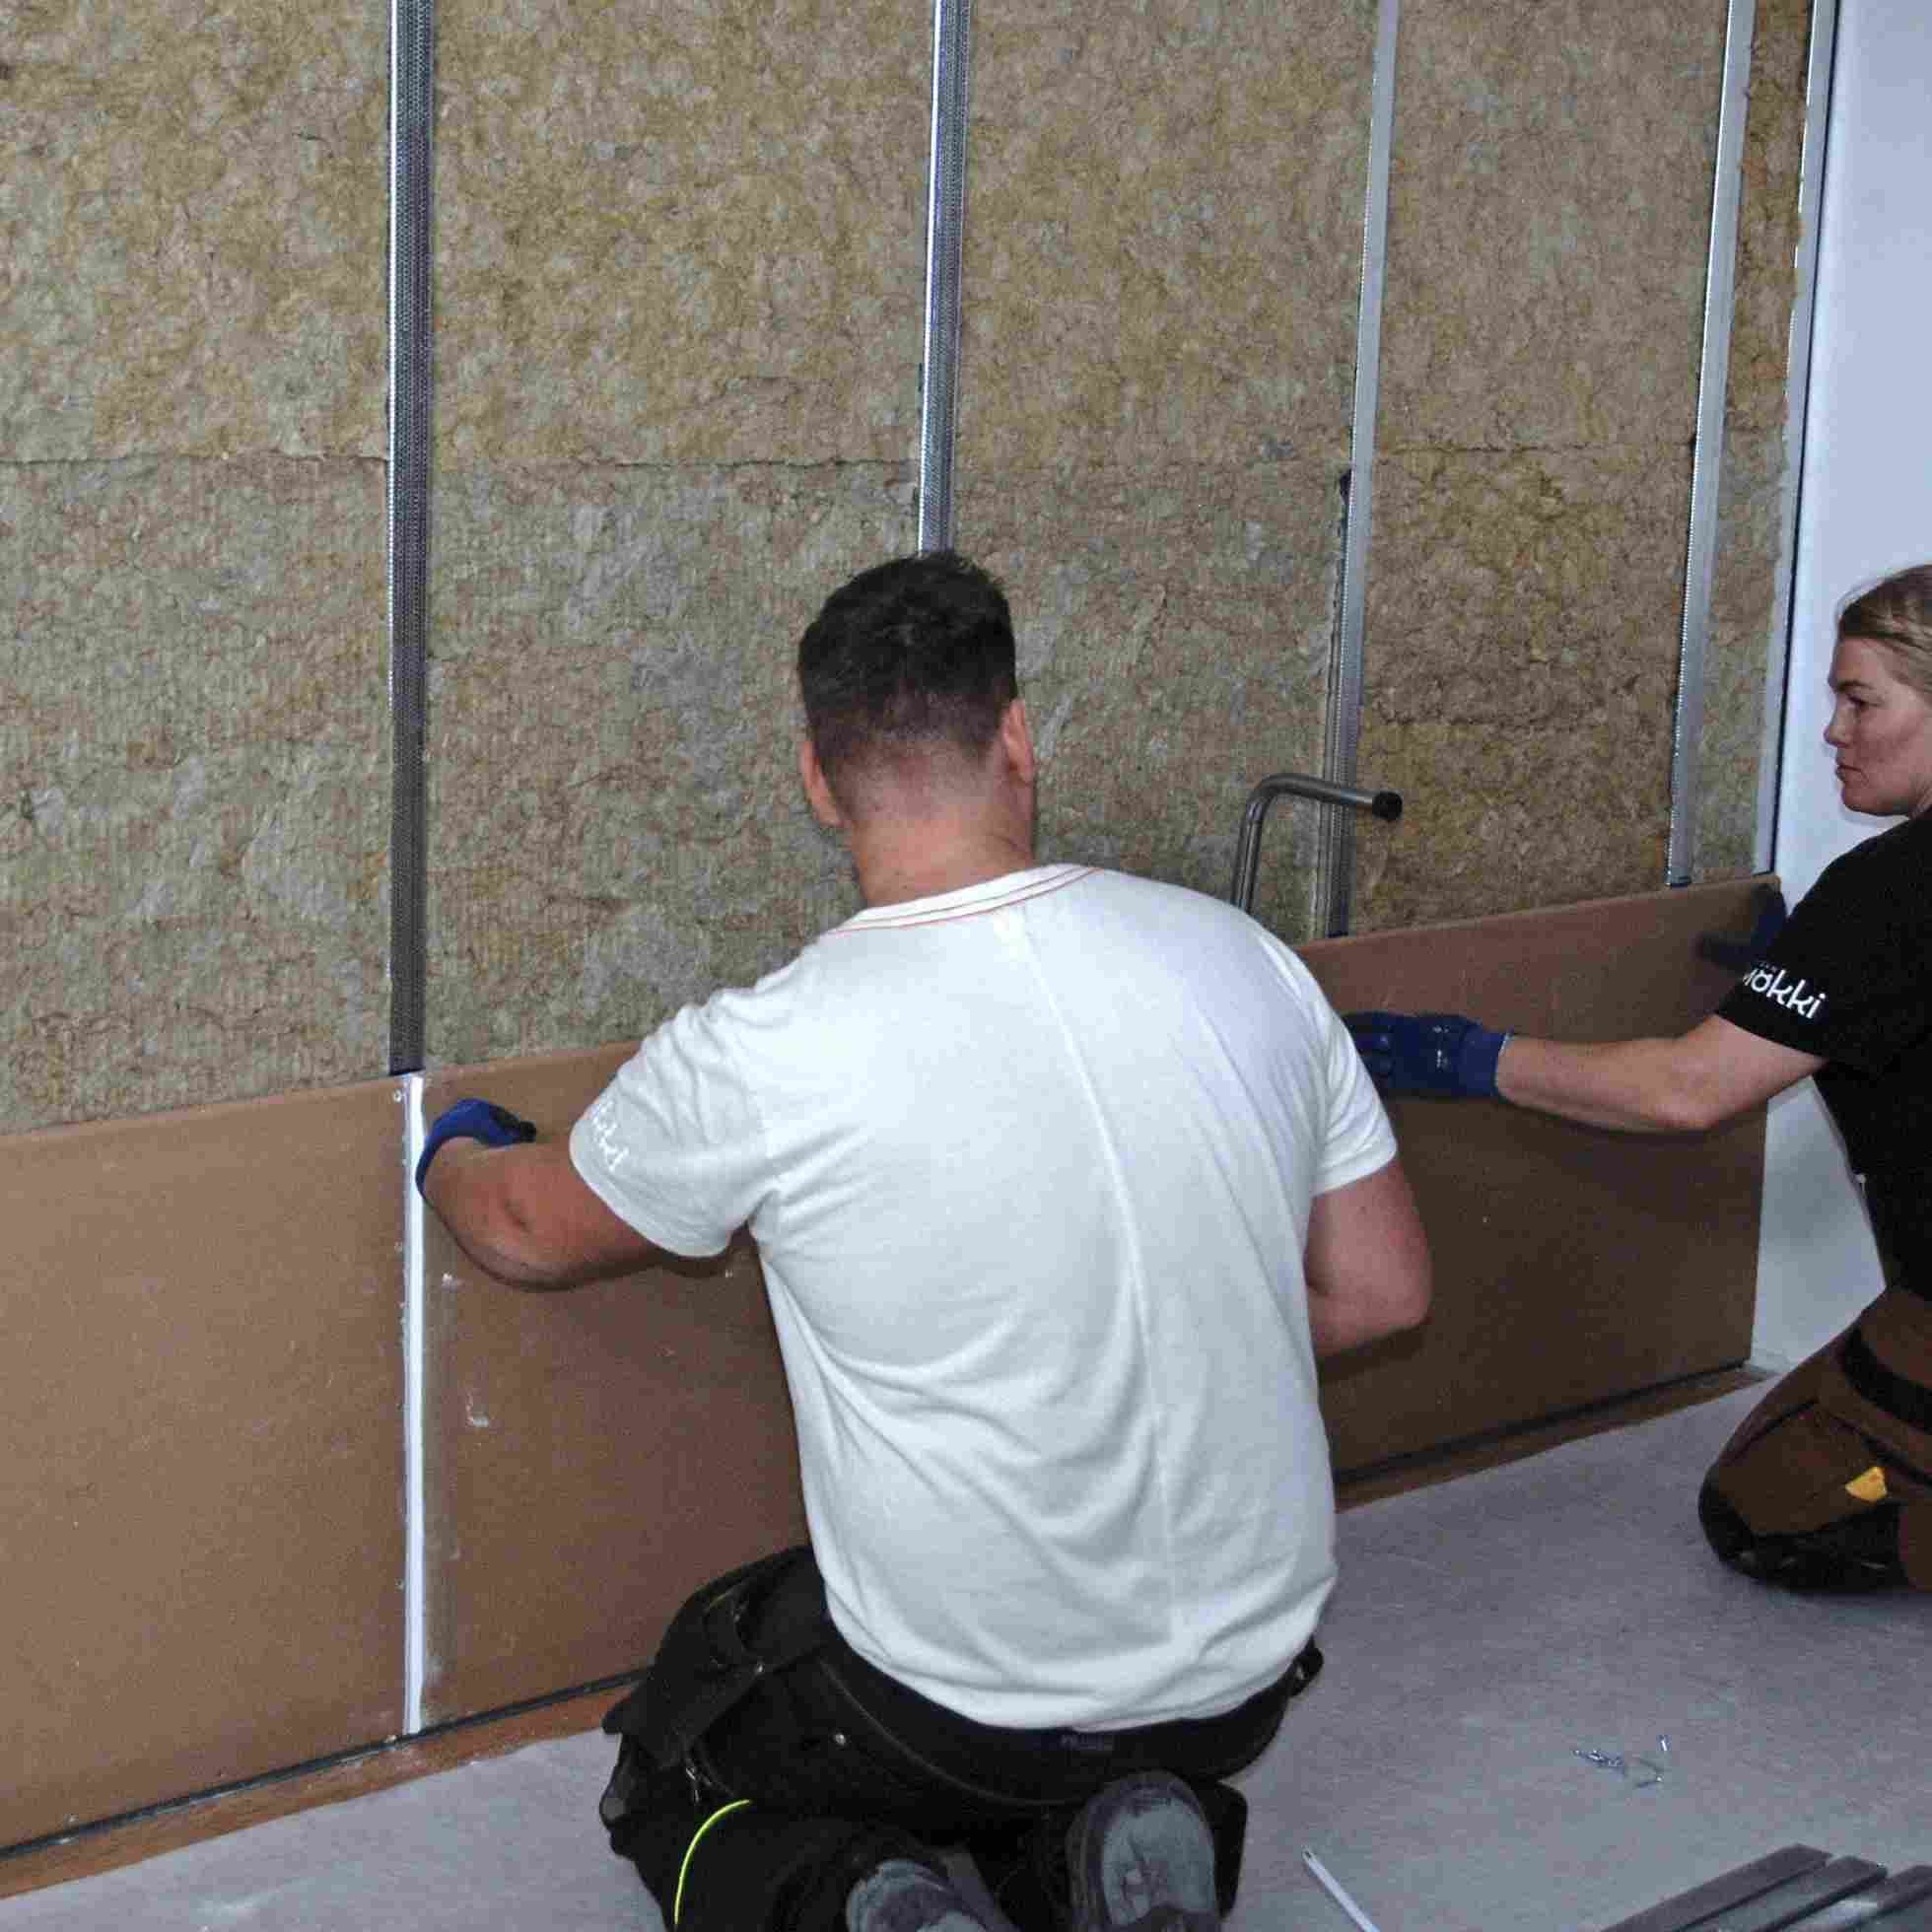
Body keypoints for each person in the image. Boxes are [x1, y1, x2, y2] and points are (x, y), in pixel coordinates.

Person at [418, 550, 1432, 1932]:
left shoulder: (773, 1045)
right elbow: (1382, 1292)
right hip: (1247, 1683)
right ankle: (1127, 1840)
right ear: (1017, 739)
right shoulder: (1244, 959)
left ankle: (862, 1907)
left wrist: (453, 1146)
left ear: (816, 780)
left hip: (958, 1706)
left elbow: (526, 1229)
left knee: (687, 1737)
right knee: (1030, 1754)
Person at [1346, 561, 1932, 1594]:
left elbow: (1685, 1090)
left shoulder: (1889, 890)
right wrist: (1812, 980)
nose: (1833, 732)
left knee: (1767, 1510)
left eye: (1860, 701)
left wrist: (1462, 1057)